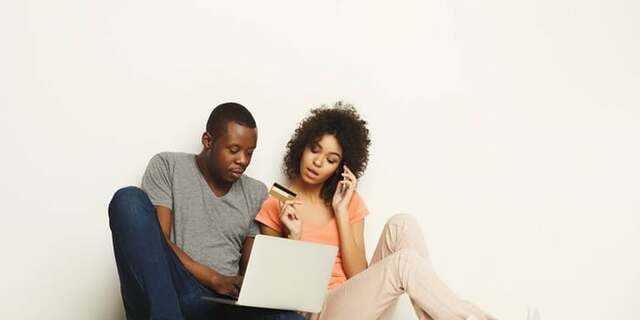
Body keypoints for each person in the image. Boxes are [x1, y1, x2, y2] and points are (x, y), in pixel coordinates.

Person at [255, 102, 495, 320]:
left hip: (358, 304)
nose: (317, 162)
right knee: (405, 263)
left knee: (402, 224)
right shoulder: (277, 200)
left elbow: (357, 273)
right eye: (315, 150)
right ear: (302, 146)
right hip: (318, 310)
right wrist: (293, 238)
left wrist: (341, 213)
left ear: (341, 167)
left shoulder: (346, 200)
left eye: (331, 159)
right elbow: (280, 290)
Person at [108, 102, 303, 320]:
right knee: (128, 200)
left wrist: (290, 235)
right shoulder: (167, 166)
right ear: (208, 141)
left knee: (289, 318)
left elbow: (252, 271)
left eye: (250, 153)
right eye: (234, 150)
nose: (243, 160)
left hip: (222, 304)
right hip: (170, 290)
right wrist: (213, 279)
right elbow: (157, 244)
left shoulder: (256, 192)